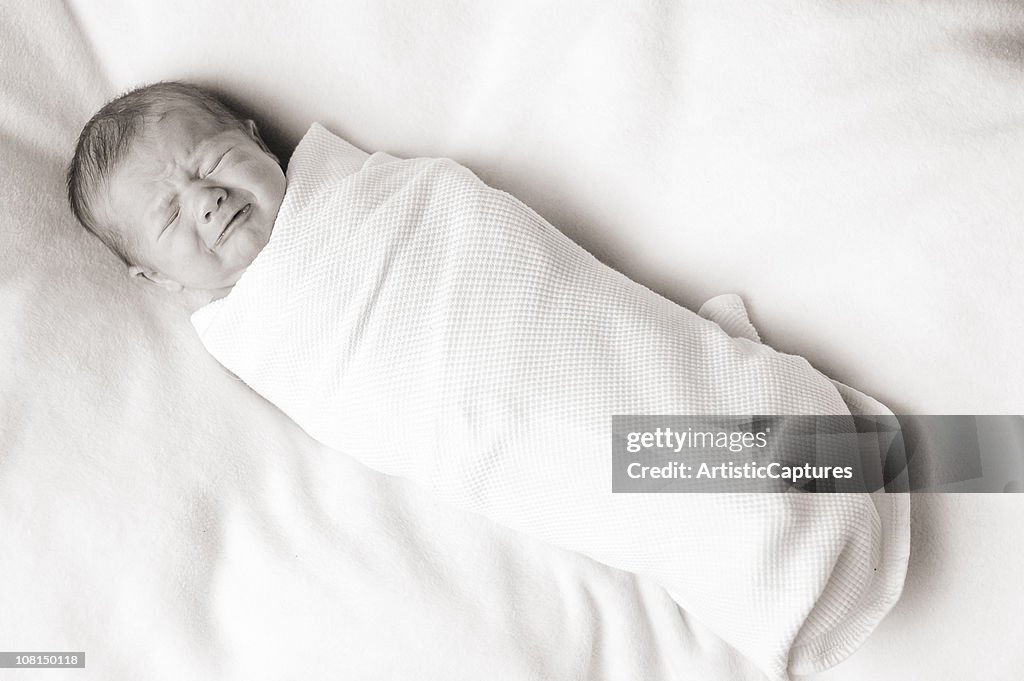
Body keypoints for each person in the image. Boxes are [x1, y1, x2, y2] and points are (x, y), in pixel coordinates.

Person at [67, 81, 286, 307]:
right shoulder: (231, 332)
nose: (206, 202)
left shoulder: (321, 164)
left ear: (259, 144)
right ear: (158, 276)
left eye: (213, 164)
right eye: (172, 216)